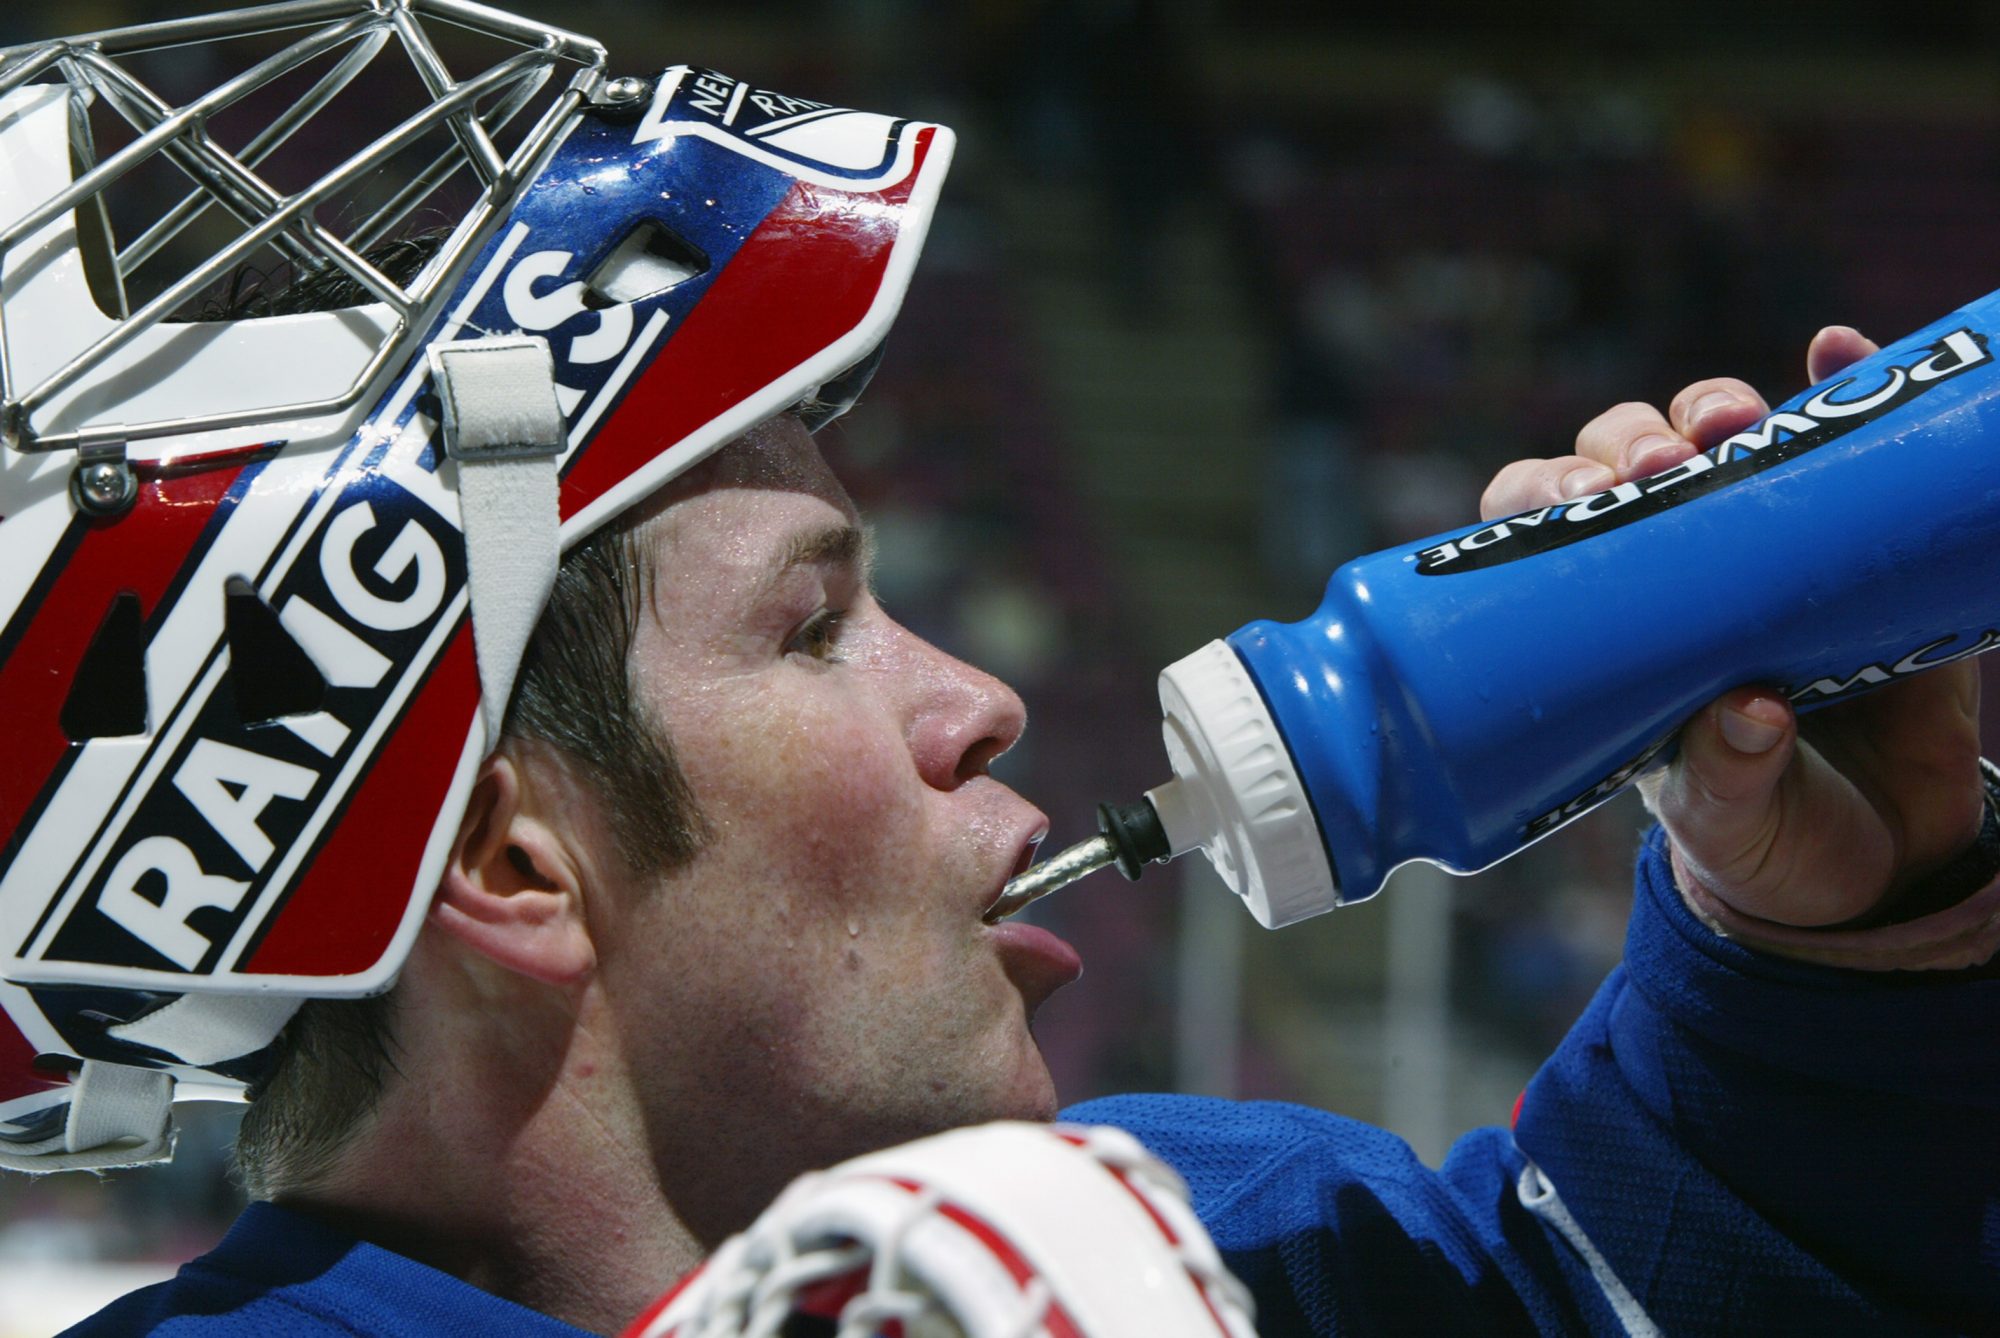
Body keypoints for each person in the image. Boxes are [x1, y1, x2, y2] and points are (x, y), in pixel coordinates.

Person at [0, 5, 1991, 1335]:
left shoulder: (1218, 1232)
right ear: (507, 862)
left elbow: (1684, 1284)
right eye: (812, 622)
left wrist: (1832, 956)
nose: (986, 702)